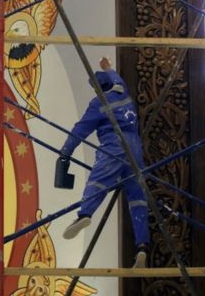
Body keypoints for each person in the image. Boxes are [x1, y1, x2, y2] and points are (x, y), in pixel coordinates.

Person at [58, 57, 149, 268]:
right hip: (135, 149)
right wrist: (107, 67)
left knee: (98, 181)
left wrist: (65, 152)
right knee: (137, 199)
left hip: (114, 146)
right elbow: (115, 75)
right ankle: (142, 246)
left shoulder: (99, 103)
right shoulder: (123, 92)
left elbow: (80, 130)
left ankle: (85, 213)